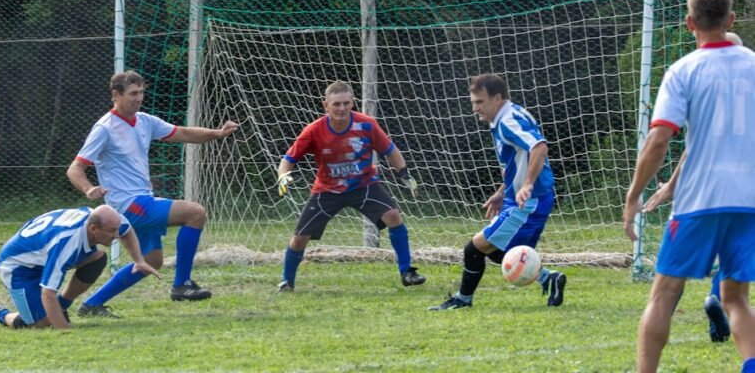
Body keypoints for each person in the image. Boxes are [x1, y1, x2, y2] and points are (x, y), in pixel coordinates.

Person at [623, 0, 755, 373]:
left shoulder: (683, 70)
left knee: (664, 294)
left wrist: (634, 196)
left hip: (700, 200)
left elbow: (659, 140)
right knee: (735, 296)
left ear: (689, 23)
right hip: (749, 200)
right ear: (731, 20)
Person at [67, 70, 239, 316]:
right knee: (195, 213)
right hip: (128, 205)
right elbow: (75, 168)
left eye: (141, 93)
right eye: (133, 94)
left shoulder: (145, 121)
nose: (139, 98)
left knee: (151, 262)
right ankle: (182, 285)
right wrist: (88, 188)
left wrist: (217, 133)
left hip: (143, 200)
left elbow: (184, 133)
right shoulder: (104, 128)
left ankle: (91, 305)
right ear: (116, 95)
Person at [428, 73, 566, 311]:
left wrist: (527, 184)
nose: (475, 108)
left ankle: (462, 299)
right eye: (473, 102)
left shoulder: (509, 121)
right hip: (522, 199)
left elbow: (539, 147)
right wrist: (503, 191)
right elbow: (519, 160)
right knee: (496, 253)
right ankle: (548, 278)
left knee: (473, 249)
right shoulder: (509, 115)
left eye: (480, 102)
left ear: (497, 98)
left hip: (528, 203)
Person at [641, 30, 743, 344]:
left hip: (702, 194)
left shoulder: (697, 82)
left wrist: (670, 186)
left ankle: (664, 320)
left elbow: (681, 147)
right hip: (744, 191)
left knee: (669, 279)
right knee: (737, 266)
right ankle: (718, 301)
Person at [275, 80, 425, 291]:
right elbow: (288, 159)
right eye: (336, 104)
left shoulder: (367, 125)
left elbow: (390, 150)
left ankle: (407, 272)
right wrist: (283, 176)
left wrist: (404, 174)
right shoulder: (314, 130)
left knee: (393, 216)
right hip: (327, 190)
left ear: (353, 103)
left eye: (346, 103)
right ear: (325, 105)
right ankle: (286, 282)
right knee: (299, 239)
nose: (341, 108)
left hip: (364, 185)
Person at [0, 205, 159, 329]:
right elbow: (48, 292)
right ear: (93, 229)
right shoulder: (67, 243)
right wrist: (65, 331)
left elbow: (126, 230)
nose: (116, 235)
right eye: (112, 231)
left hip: (44, 253)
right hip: (19, 267)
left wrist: (139, 260)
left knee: (97, 258)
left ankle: (62, 306)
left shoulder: (107, 220)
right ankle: (4, 315)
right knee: (42, 325)